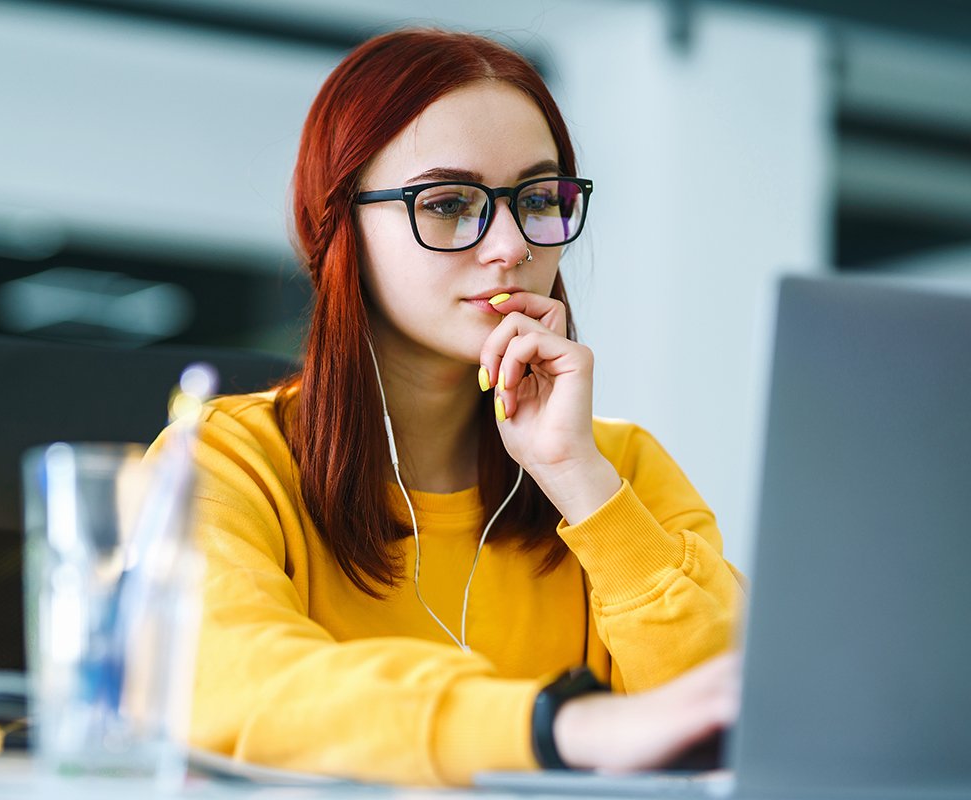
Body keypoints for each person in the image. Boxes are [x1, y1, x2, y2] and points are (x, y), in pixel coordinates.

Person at [148, 27, 744, 787]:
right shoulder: (225, 462)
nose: (509, 246)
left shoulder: (619, 469)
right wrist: (555, 729)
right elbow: (225, 684)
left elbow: (729, 717)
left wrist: (579, 481)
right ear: (340, 228)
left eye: (536, 199)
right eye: (451, 203)